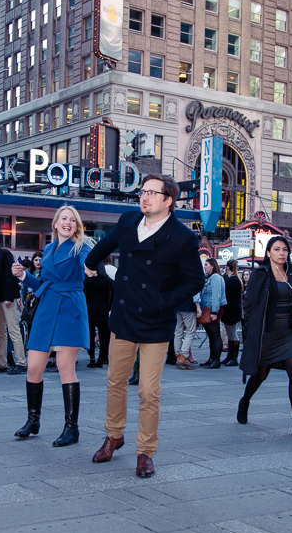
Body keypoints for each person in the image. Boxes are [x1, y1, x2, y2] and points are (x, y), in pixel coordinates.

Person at [84, 174, 205, 478]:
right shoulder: (128, 221)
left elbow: (194, 280)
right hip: (123, 316)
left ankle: (145, 451)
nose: (145, 197)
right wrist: (90, 264)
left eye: (153, 193)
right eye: (143, 191)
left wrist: (162, 301)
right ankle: (114, 436)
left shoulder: (182, 236)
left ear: (168, 200)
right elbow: (103, 246)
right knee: (115, 381)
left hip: (155, 320)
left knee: (149, 391)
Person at [11, 206, 92, 447]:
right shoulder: (48, 248)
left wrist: (90, 268)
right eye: (64, 219)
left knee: (65, 368)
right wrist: (24, 277)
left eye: (72, 220)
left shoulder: (82, 247)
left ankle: (71, 428)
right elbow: (44, 283)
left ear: (77, 226)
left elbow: (89, 264)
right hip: (46, 308)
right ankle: (33, 421)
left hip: (69, 308)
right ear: (55, 223)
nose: (68, 223)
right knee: (33, 368)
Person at [238, 236, 292, 438]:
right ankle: (245, 401)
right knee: (261, 374)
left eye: (285, 249)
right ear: (268, 253)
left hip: (290, 332)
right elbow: (249, 305)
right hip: (267, 333)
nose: (282, 253)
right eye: (277, 249)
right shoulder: (260, 274)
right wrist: (250, 332)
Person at [0, 230, 27, 374]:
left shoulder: (4, 254)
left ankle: (21, 361)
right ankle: (1, 362)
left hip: (6, 298)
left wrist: (9, 297)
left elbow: (10, 276)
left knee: (13, 330)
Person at [84, 261, 113, 368]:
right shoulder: (108, 281)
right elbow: (112, 297)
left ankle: (92, 359)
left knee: (90, 335)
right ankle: (101, 359)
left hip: (90, 310)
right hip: (103, 310)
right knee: (104, 335)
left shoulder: (86, 281)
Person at [199, 258, 227, 369]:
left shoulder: (215, 278)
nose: (204, 267)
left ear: (212, 266)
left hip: (212, 308)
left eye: (206, 265)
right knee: (211, 335)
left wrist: (214, 311)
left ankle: (216, 360)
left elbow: (216, 295)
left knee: (214, 335)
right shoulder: (209, 278)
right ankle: (212, 359)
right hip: (208, 308)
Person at [221, 259, 243, 366]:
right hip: (234, 310)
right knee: (231, 334)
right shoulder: (236, 280)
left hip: (231, 310)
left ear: (227, 268)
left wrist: (224, 276)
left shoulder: (232, 280)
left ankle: (233, 357)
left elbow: (224, 289)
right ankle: (230, 356)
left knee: (232, 334)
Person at [173, 293, 199, 369]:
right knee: (190, 331)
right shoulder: (190, 281)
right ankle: (183, 355)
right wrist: (198, 306)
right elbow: (196, 293)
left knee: (178, 332)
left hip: (177, 304)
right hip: (188, 305)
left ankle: (178, 355)